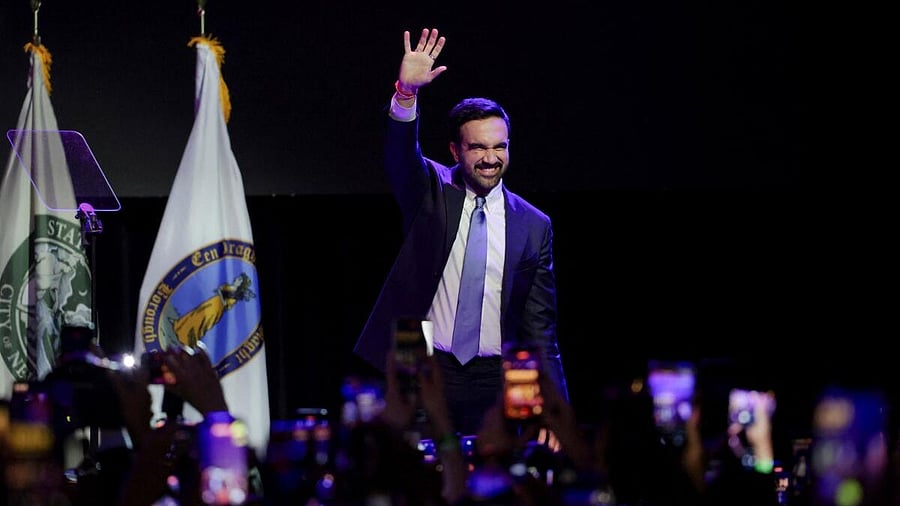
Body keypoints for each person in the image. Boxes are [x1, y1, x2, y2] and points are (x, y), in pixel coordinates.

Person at [354, 27, 568, 436]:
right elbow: (400, 156)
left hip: (497, 379)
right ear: (455, 150)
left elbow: (542, 329)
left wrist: (559, 416)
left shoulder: (534, 225)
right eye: (478, 148)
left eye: (499, 147)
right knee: (421, 471)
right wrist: (405, 94)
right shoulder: (431, 189)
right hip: (427, 366)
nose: (491, 158)